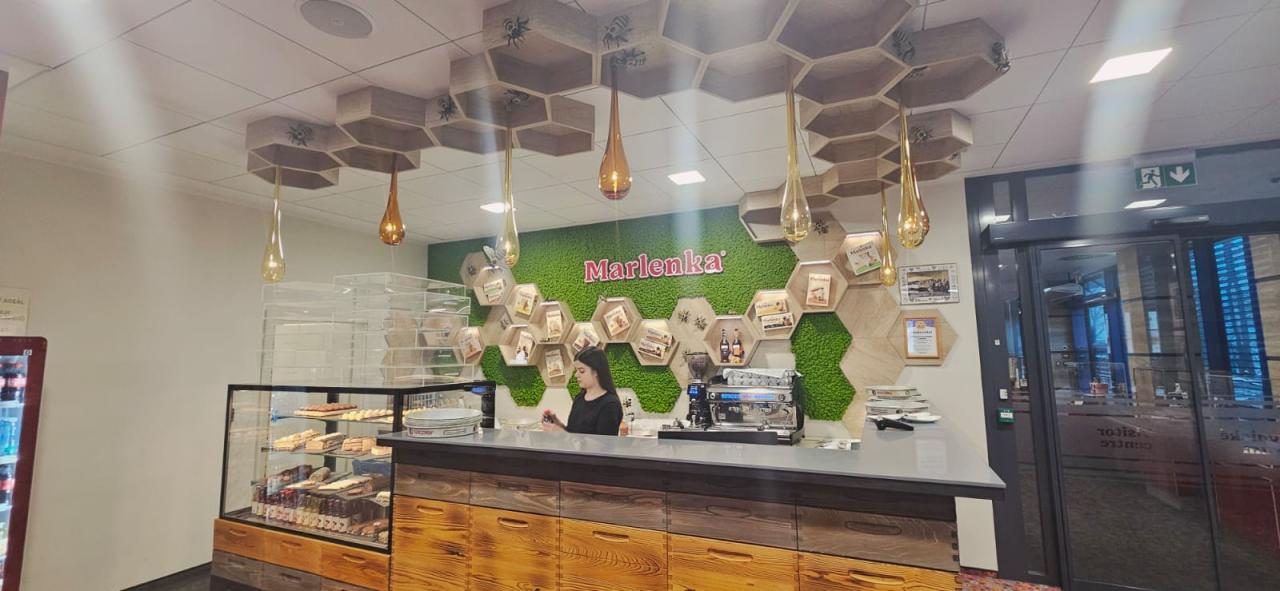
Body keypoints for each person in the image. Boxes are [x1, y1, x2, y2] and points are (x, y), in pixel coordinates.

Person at [541, 346, 624, 435]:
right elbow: (573, 435)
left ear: (596, 371)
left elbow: (603, 443)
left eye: (581, 371)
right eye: (576, 370)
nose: (576, 375)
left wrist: (562, 434)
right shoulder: (579, 398)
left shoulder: (610, 405)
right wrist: (558, 424)